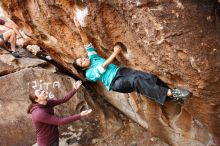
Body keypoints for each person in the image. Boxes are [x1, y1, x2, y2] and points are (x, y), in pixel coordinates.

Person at [72, 18, 191, 105]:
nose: (84, 59)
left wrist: (79, 28)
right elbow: (103, 67)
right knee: (136, 81)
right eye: (82, 62)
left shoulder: (92, 58)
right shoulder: (89, 74)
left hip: (122, 71)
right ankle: (173, 93)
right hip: (116, 82)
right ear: (83, 68)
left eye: (82, 58)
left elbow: (86, 43)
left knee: (148, 77)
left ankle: (170, 98)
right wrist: (115, 53)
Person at [27, 80, 92, 146]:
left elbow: (64, 99)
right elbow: (60, 121)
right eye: (40, 92)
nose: (43, 91)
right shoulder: (39, 113)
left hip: (54, 137)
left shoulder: (48, 103)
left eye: (42, 90)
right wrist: (80, 115)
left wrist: (74, 89)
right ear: (37, 100)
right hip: (46, 143)